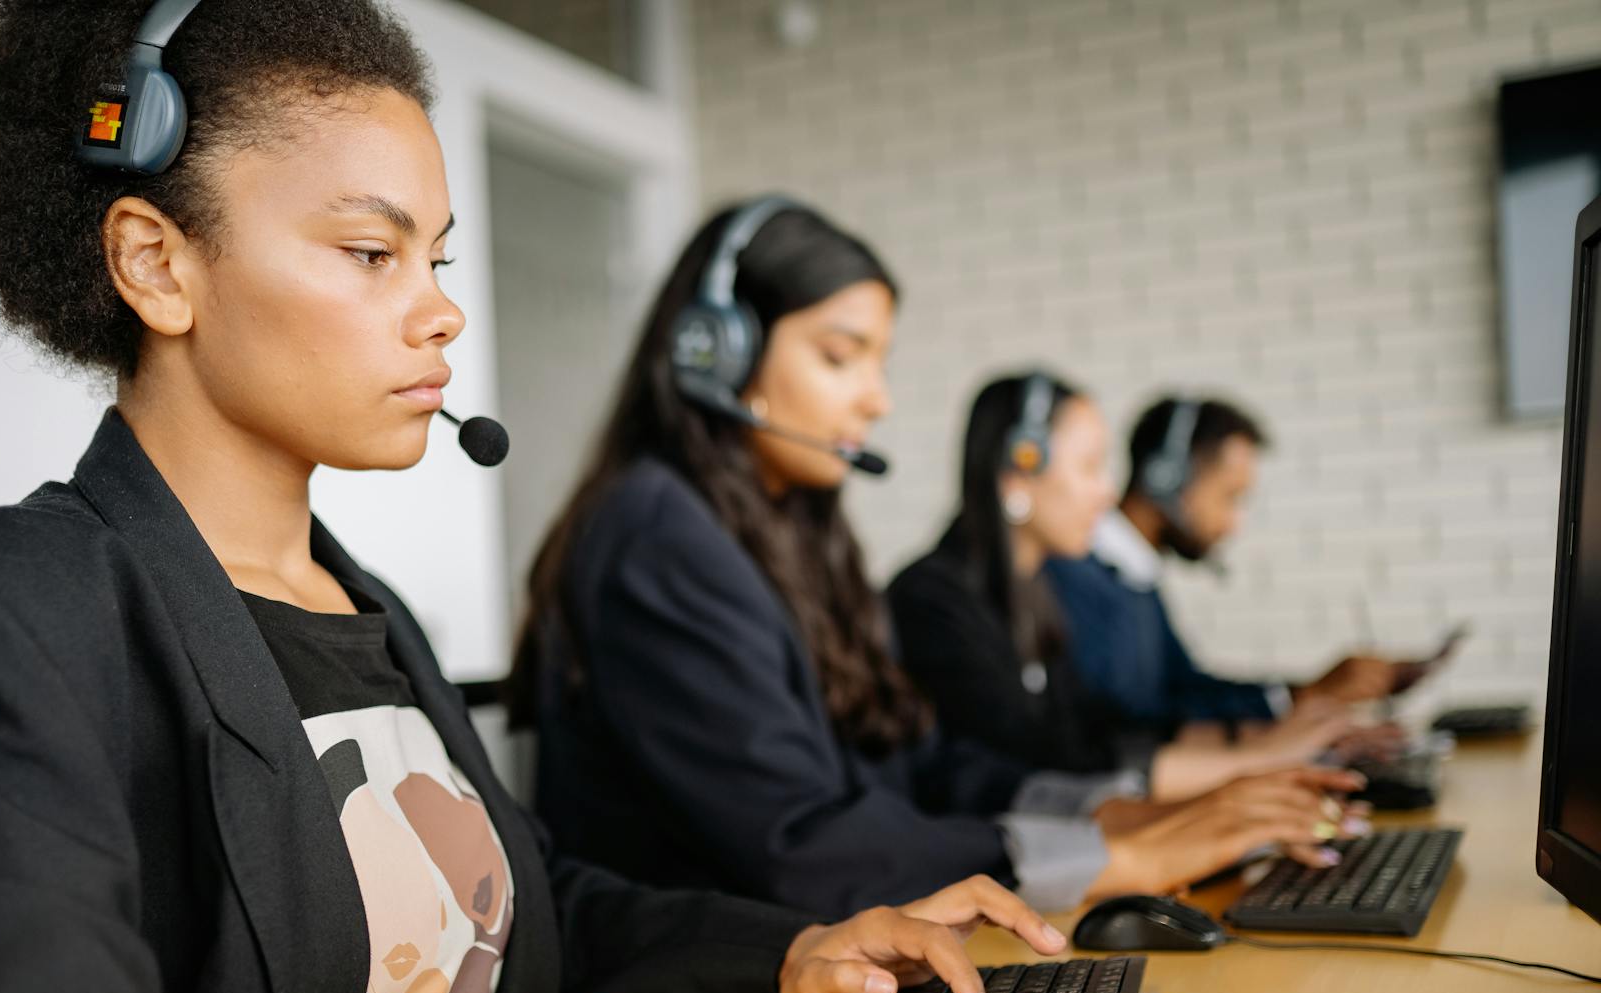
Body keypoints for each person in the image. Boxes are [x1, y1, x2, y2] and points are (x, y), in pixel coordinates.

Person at [0, 4, 1246, 993]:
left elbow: (529, 904)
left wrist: (791, 953)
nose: (439, 309)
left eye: (432, 258)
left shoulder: (363, 610)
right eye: (371, 253)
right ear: (157, 266)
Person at [510, 198, 1359, 923]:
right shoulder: (658, 538)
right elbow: (800, 843)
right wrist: (1120, 859)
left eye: (879, 363)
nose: (876, 399)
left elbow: (921, 766)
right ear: (715, 351)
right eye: (841, 356)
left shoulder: (788, 538)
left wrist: (1121, 818)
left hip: (810, 957)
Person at [890, 373, 1372, 803]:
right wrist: (1255, 759)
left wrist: (1261, 741)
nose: (1107, 492)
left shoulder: (1034, 593)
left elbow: (1105, 725)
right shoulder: (931, 602)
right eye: (1089, 467)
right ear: (1019, 471)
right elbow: (1044, 765)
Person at [1045, 396, 1415, 734]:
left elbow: (1184, 684)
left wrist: (1306, 693)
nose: (1234, 523)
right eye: (1230, 497)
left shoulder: (1134, 573)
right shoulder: (1076, 575)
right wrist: (1299, 701)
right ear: (1166, 477)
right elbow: (1137, 719)